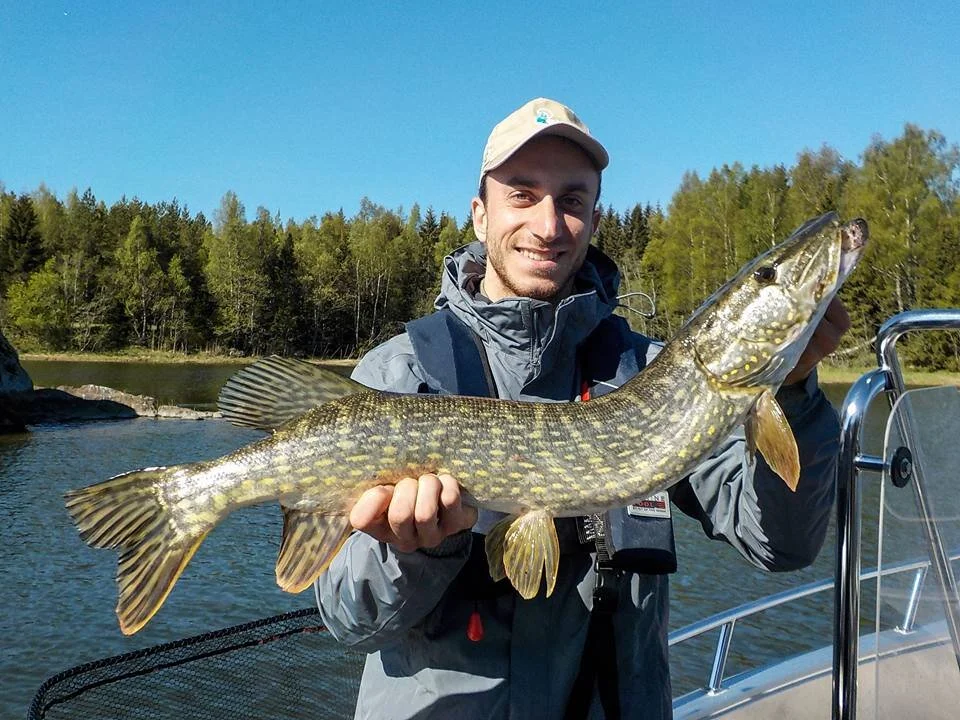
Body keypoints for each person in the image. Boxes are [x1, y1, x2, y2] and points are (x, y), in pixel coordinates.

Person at [316, 98, 848, 719]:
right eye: (522, 195)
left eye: (571, 200)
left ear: (594, 219)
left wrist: (795, 392)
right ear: (480, 214)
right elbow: (348, 619)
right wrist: (415, 550)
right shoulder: (397, 375)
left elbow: (778, 545)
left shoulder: (644, 371)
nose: (548, 225)